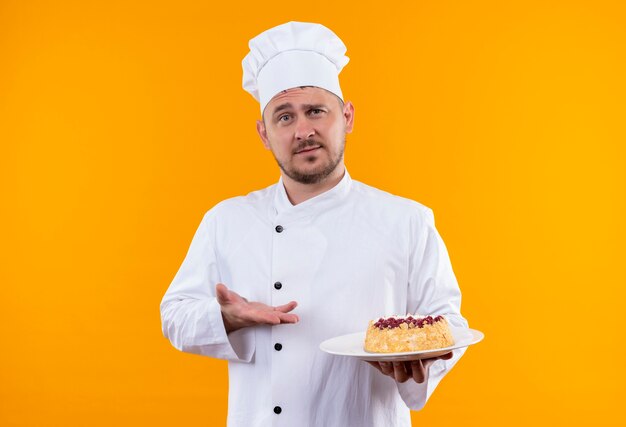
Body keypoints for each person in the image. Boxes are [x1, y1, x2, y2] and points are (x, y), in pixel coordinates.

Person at [161, 21, 468, 427]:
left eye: (316, 111)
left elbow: (448, 322)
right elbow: (175, 315)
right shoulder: (226, 220)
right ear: (264, 135)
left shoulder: (407, 220)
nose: (303, 130)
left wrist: (419, 364)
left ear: (347, 116)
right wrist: (227, 318)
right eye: (284, 117)